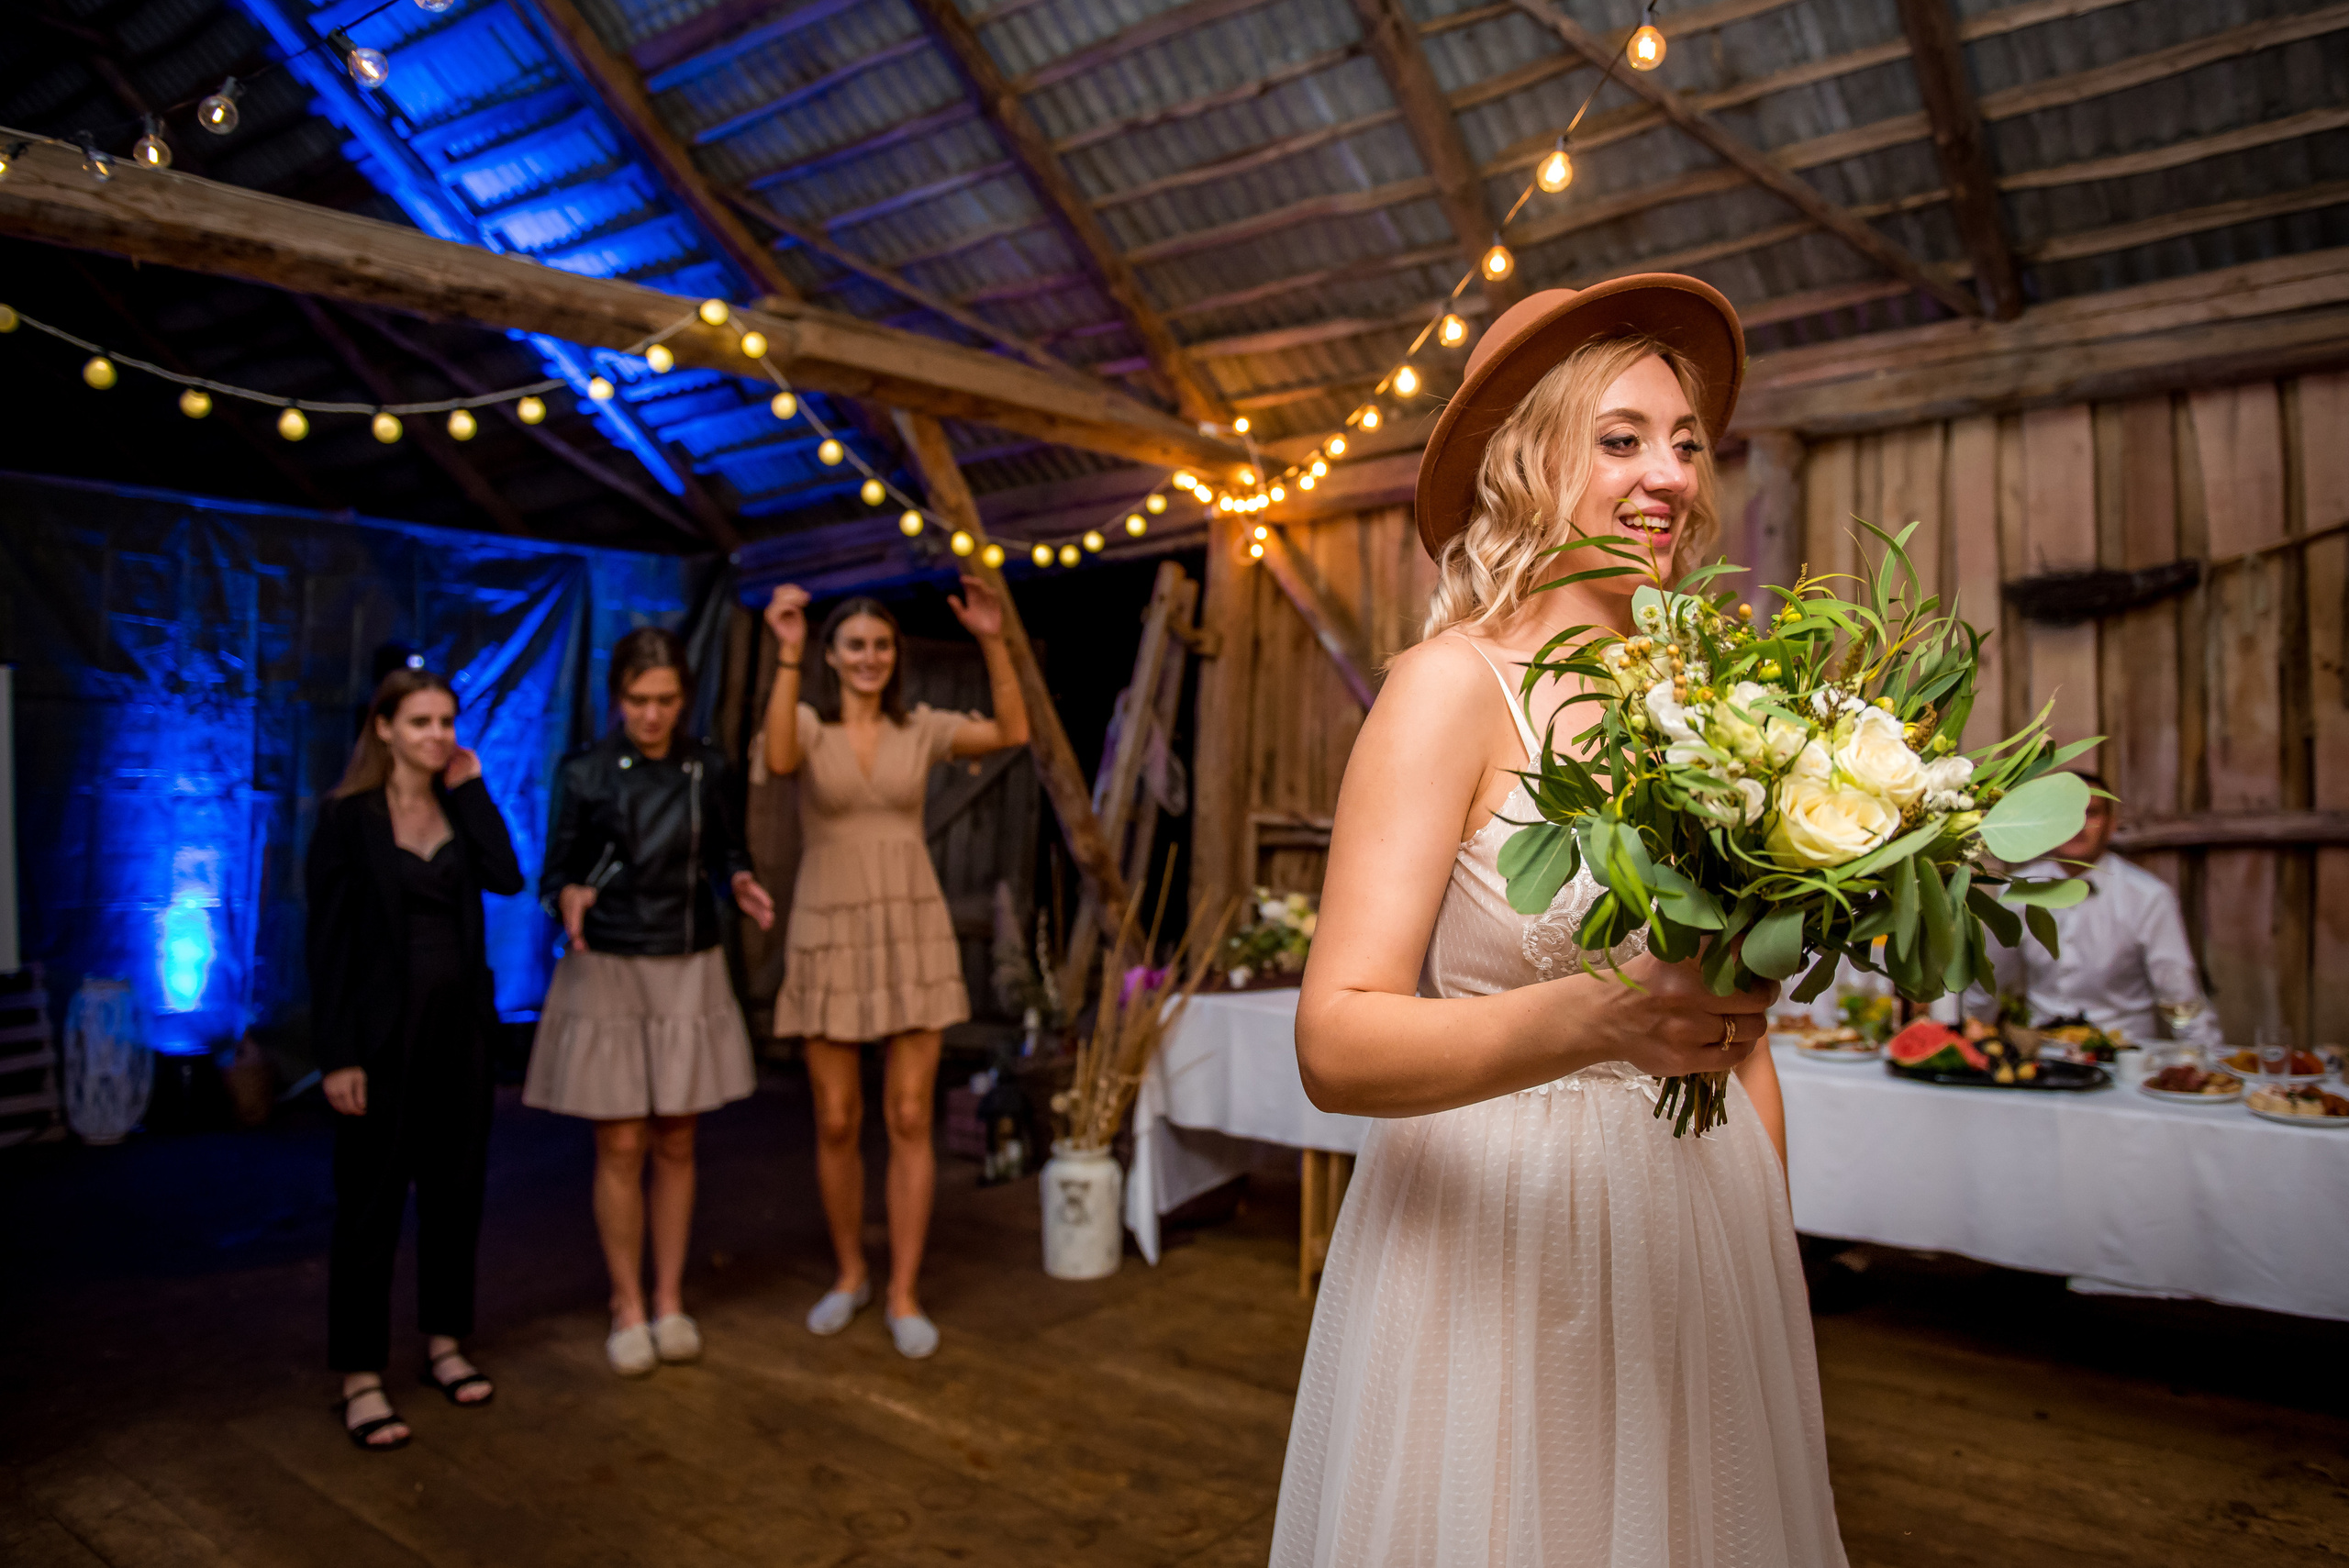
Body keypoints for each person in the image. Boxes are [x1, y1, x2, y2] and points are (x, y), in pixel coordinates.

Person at [1273, 276, 1845, 1565]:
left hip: (1696, 1236)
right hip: (1490, 1250)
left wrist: (1768, 1251)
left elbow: (1735, 1028)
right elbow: (1335, 1041)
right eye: (1624, 437)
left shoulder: (1718, 702)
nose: (1673, 477)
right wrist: (1602, 1015)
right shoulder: (1445, 692)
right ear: (1530, 462)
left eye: (1689, 441)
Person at [758, 579, 1029, 1359]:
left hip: (910, 925)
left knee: (909, 1115)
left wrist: (990, 637)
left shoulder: (923, 728)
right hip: (829, 930)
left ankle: (904, 1290)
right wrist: (785, 648)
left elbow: (1012, 730)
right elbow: (776, 758)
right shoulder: (806, 724)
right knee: (838, 1117)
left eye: (881, 645)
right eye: (854, 645)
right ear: (831, 657)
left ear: (893, 656)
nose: (870, 657)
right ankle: (850, 1274)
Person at [525, 627, 776, 1376]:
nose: (653, 714)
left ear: (684, 700)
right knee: (622, 1142)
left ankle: (669, 1298)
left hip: (687, 960)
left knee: (676, 1138)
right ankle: (625, 1302)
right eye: (638, 700)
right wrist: (566, 897)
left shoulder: (708, 767)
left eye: (666, 700)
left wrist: (739, 881)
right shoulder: (585, 772)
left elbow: (730, 849)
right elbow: (554, 874)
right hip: (609, 964)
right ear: (617, 699)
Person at [307, 667, 524, 1451]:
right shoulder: (346, 819)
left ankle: (443, 1343)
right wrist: (337, 1054)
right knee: (370, 1204)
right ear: (385, 728)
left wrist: (472, 787)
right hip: (380, 1039)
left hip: (458, 1033)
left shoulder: (456, 805)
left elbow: (507, 876)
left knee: (455, 1194)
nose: (439, 735)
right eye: (423, 722)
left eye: (447, 721)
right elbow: (325, 948)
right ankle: (361, 1376)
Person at [1967, 772, 2221, 1046]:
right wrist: (1968, 1039)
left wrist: (2204, 1059)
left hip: (2123, 1054)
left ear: (2111, 825)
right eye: (2064, 812)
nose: (2077, 823)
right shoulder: (2016, 892)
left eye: (2091, 813)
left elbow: (2179, 993)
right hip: (2043, 1053)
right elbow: (1987, 983)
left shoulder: (2148, 897)